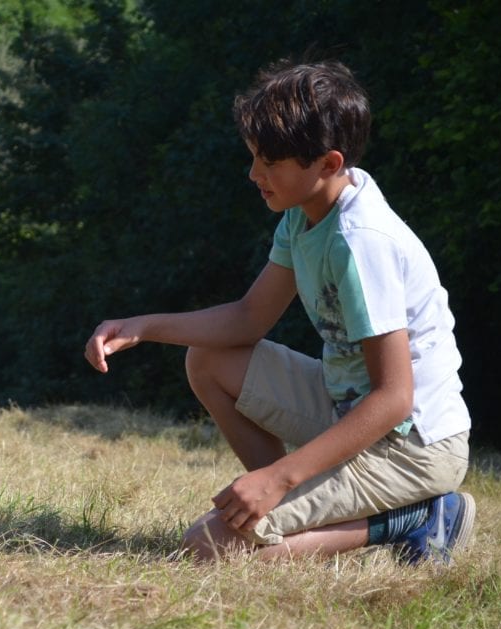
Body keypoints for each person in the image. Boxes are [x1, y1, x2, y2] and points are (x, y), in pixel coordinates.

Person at [83, 60, 474, 565]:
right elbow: (248, 319)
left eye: (269, 163)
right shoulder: (305, 213)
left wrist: (278, 478)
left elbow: (395, 398)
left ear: (329, 164)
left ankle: (416, 518)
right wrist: (142, 327)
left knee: (209, 549)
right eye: (253, 158)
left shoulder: (361, 244)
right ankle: (296, 507)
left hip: (412, 448)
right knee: (207, 358)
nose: (253, 174)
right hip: (348, 411)